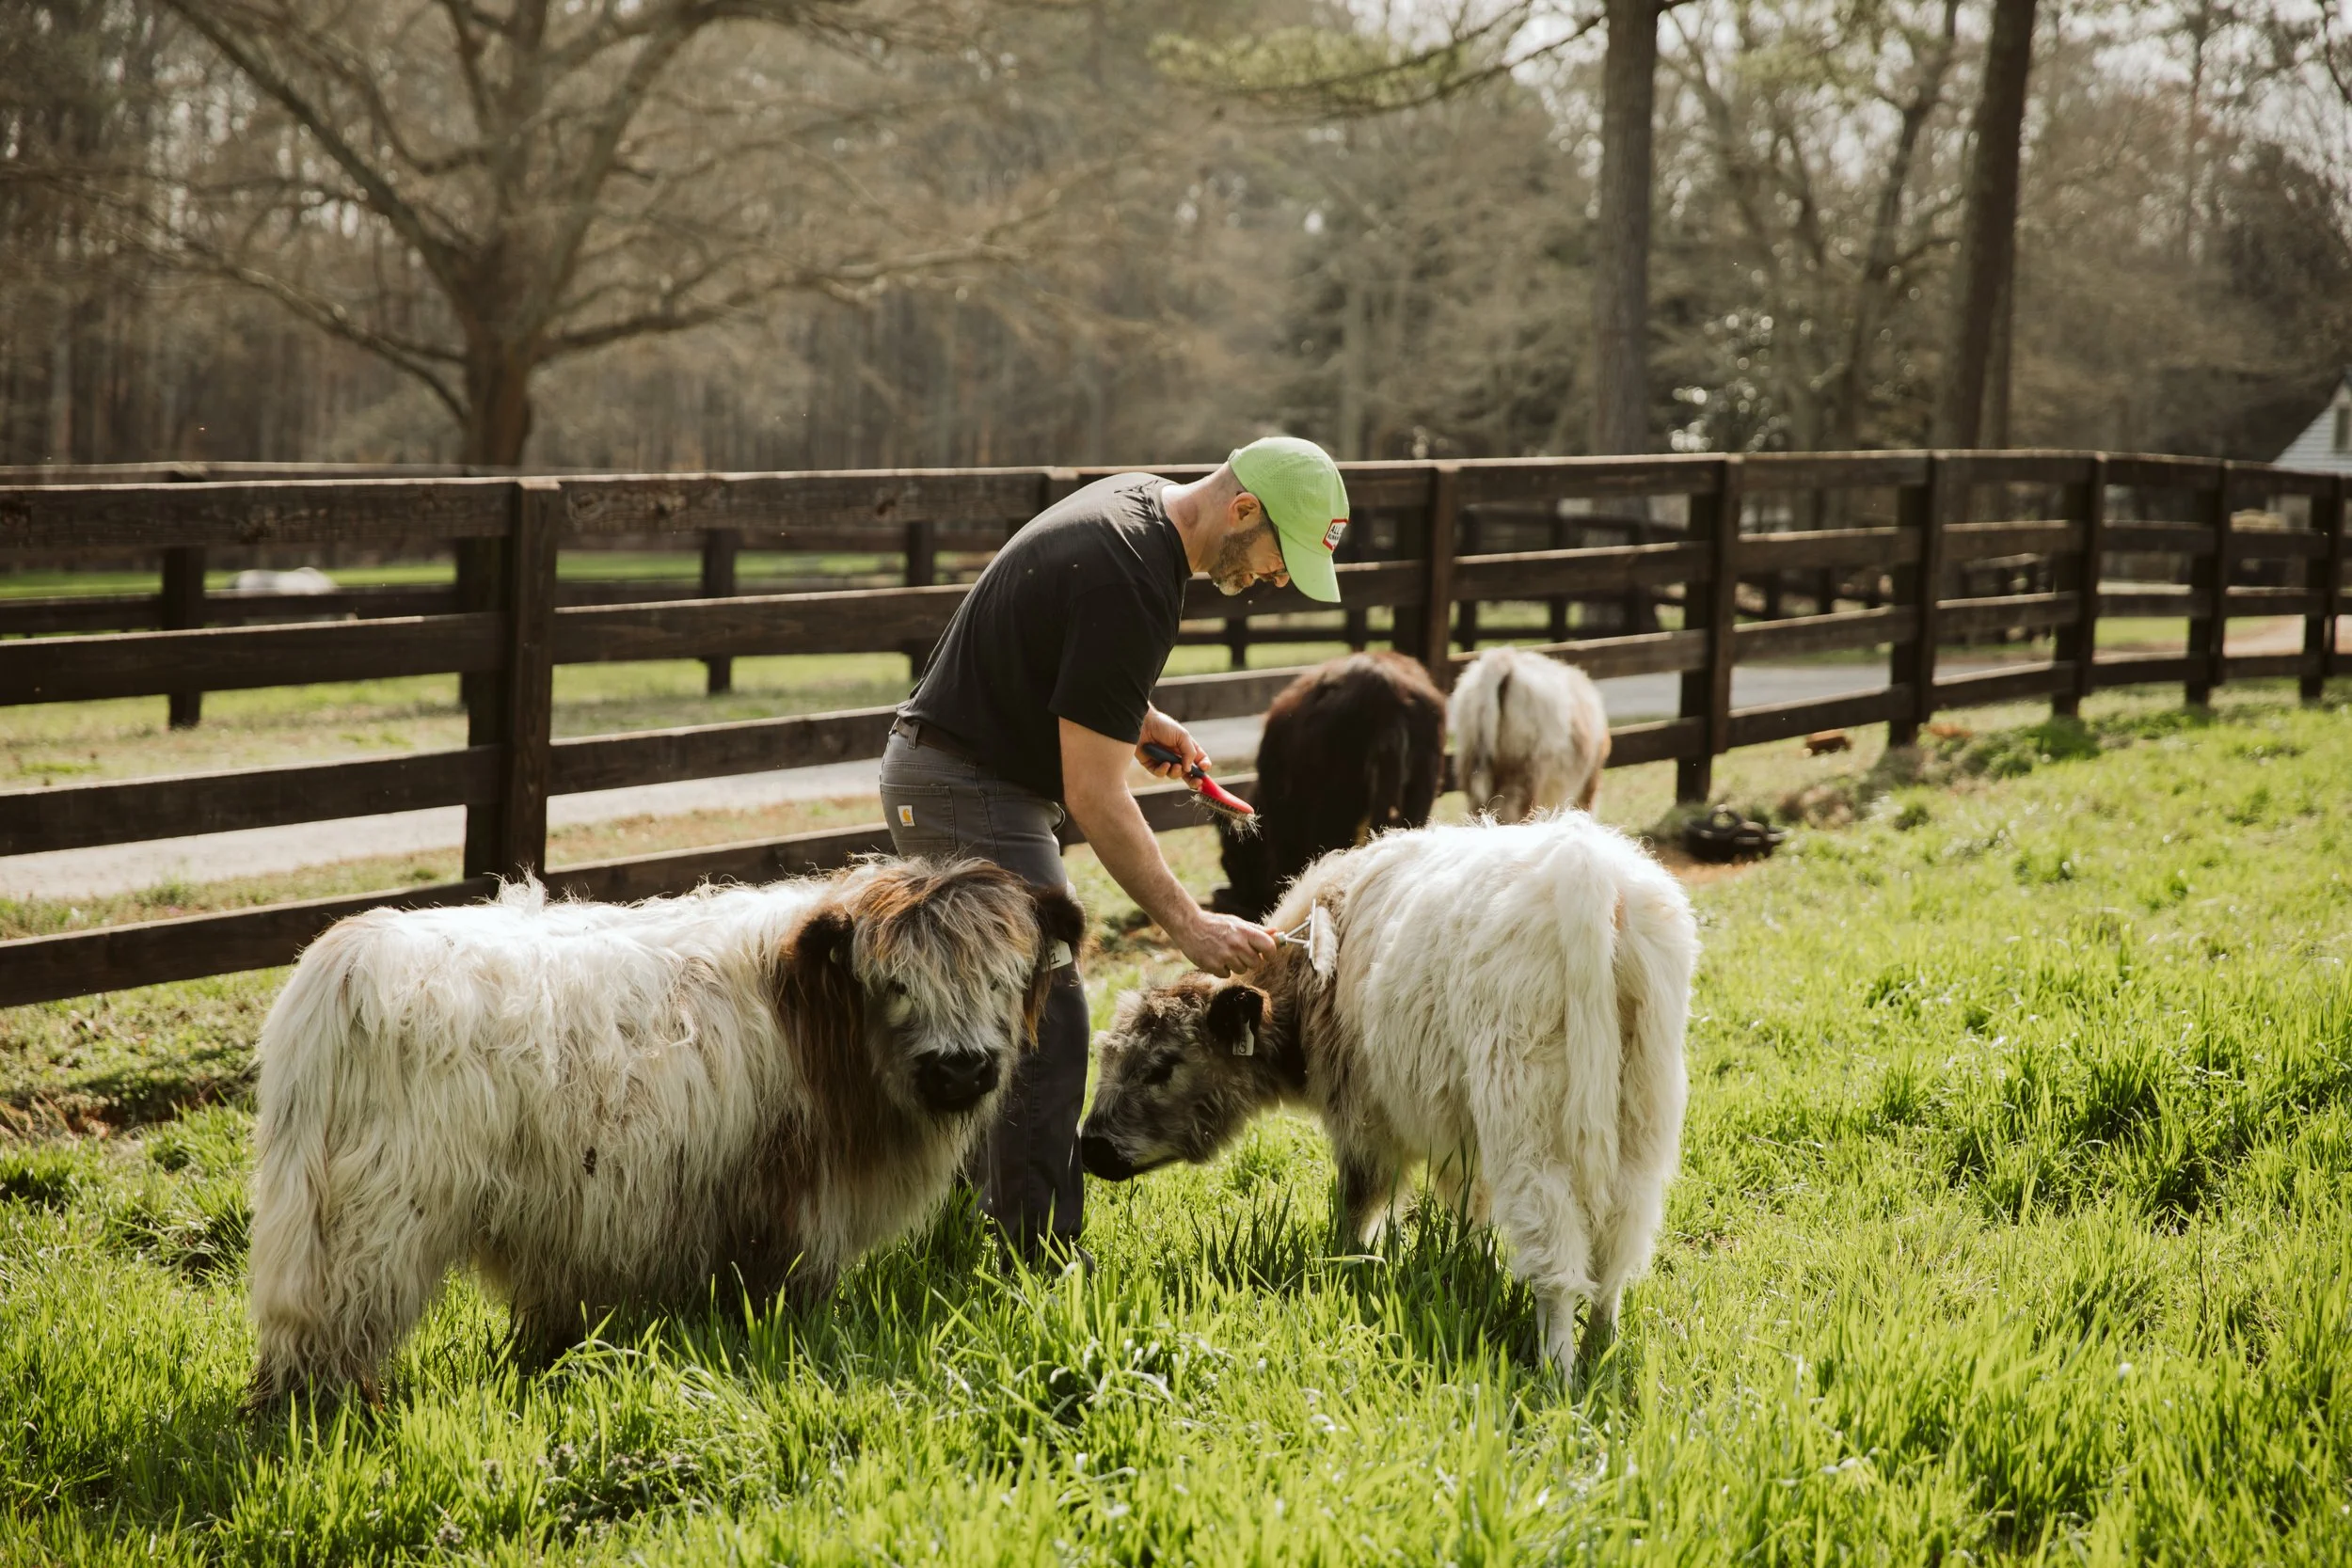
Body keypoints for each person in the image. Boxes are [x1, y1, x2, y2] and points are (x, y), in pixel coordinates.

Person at [879, 435, 1351, 1265]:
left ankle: (946, 1225)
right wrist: (1190, 926)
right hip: (967, 783)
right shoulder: (1134, 577)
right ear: (1244, 509)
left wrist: (1136, 717)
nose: (1276, 580)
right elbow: (1095, 795)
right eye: (1281, 558)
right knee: (1047, 1012)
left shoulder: (1139, 510)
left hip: (957, 770)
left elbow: (1061, 653)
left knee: (982, 1013)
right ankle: (1034, 1252)